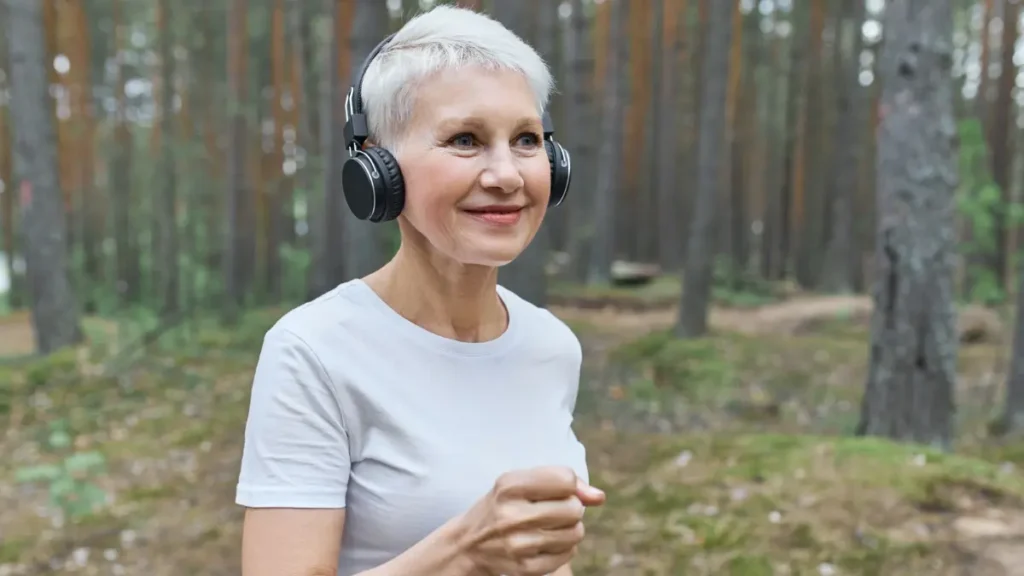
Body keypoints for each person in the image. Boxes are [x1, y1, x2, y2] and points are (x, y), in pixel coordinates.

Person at [234, 5, 605, 576]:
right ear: (379, 170)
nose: (507, 174)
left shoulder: (552, 347)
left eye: (527, 140)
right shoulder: (314, 353)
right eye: (465, 139)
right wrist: (464, 551)